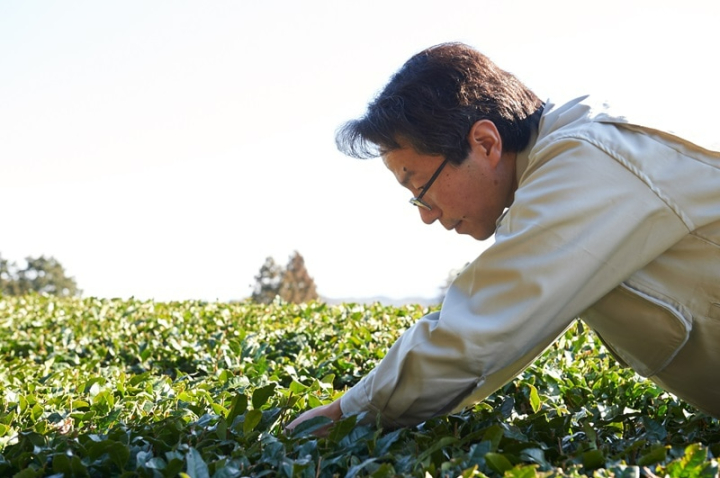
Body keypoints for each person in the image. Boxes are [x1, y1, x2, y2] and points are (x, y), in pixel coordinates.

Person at [287, 42, 720, 431]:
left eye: (419, 187)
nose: (426, 214)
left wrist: (341, 415)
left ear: (486, 143)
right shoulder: (563, 163)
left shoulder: (583, 163)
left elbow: (478, 330)